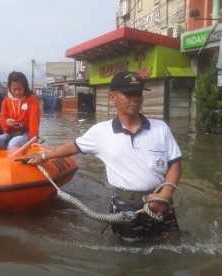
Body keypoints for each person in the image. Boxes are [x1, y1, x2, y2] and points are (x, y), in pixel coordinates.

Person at [26, 71, 182, 244]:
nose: (136, 98)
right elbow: (73, 147)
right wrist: (44, 156)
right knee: (131, 255)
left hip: (163, 201)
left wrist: (165, 196)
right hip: (127, 207)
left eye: (138, 93)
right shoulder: (101, 132)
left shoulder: (160, 128)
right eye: (129, 94)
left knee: (173, 244)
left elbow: (175, 164)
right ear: (112, 97)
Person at [0, 71, 40, 155]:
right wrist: (7, 122)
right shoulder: (6, 101)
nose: (17, 92)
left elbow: (34, 119)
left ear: (25, 87)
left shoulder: (32, 99)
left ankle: (12, 162)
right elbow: (2, 119)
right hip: (11, 133)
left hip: (27, 133)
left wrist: (33, 138)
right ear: (9, 88)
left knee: (14, 142)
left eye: (20, 89)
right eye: (14, 89)